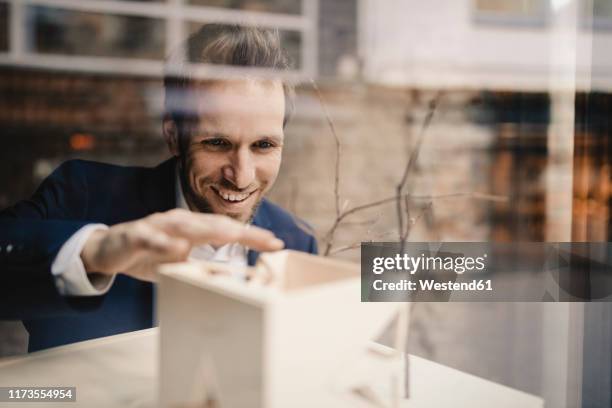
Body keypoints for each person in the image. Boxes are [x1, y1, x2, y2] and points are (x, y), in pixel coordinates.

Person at [0, 24, 318, 351]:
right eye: (217, 143)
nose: (241, 176)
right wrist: (94, 252)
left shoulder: (297, 242)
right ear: (172, 135)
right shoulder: (81, 195)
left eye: (264, 145)